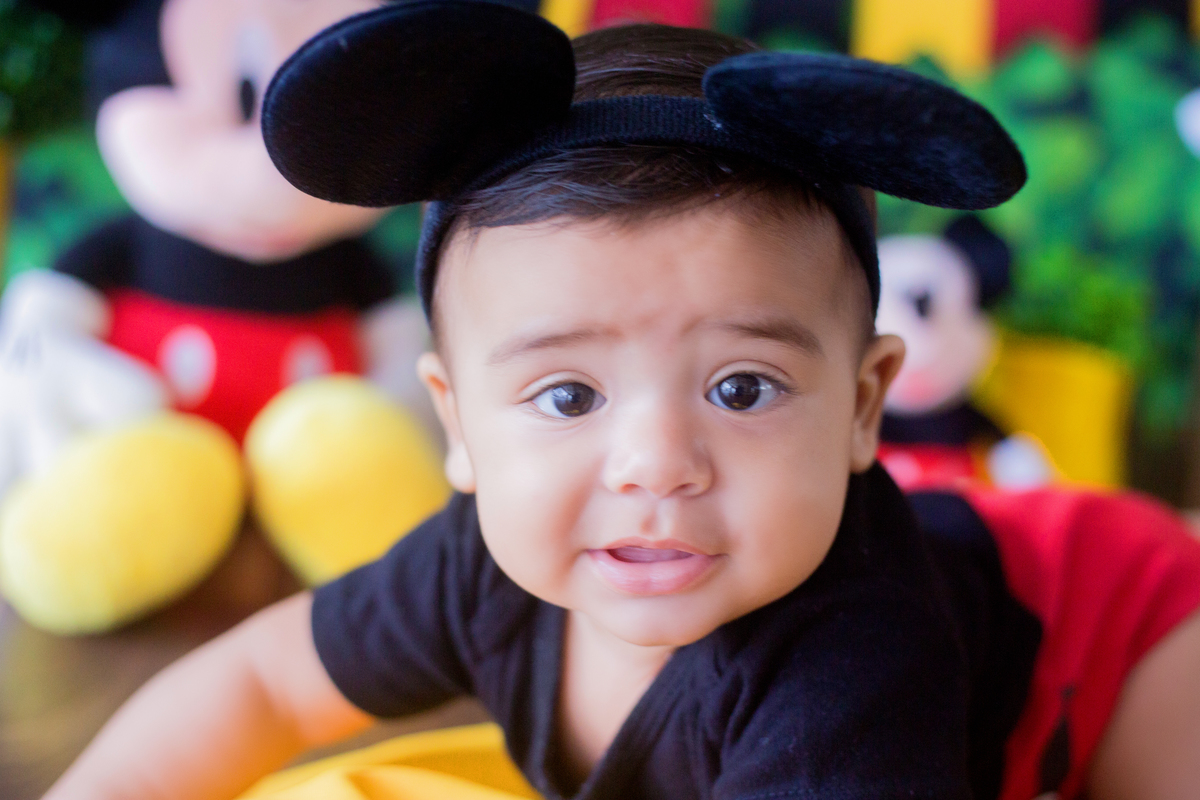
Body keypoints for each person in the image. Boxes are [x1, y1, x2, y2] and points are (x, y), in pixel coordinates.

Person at [42, 3, 1200, 799]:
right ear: (455, 423)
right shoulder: (474, 565)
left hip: (1132, 615)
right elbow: (259, 683)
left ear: (863, 407)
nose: (655, 460)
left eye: (743, 386)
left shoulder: (851, 656)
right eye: (566, 393)